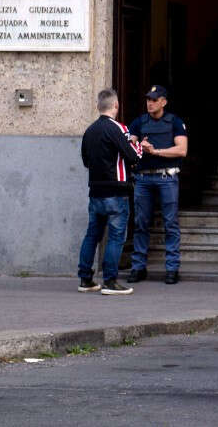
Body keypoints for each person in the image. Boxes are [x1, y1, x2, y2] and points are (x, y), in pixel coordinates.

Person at [78, 89, 143, 295]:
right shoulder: (119, 128)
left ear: (98, 106)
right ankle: (110, 281)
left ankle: (85, 279)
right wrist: (138, 145)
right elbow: (133, 157)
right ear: (116, 106)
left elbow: (86, 161)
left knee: (92, 235)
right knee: (116, 236)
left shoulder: (89, 131)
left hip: (95, 191)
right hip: (116, 190)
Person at [127, 85, 189, 285]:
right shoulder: (139, 122)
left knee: (170, 224)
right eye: (148, 99)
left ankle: (172, 269)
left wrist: (155, 151)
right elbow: (128, 146)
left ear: (164, 102)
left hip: (166, 178)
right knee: (141, 223)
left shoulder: (175, 122)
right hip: (143, 179)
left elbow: (182, 150)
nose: (150, 103)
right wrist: (138, 146)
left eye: (154, 100)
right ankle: (138, 267)